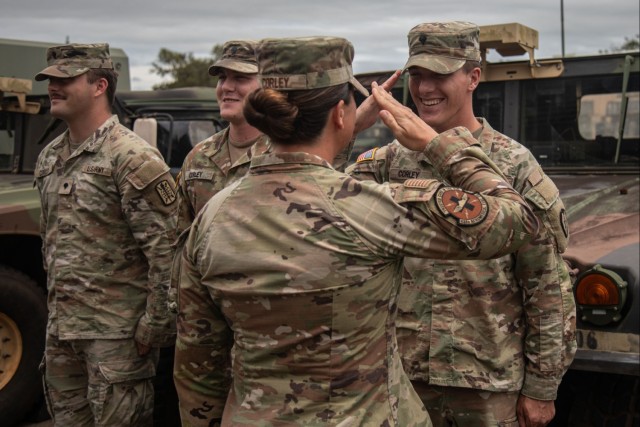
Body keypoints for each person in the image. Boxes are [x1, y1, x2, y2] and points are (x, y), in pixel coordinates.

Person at [173, 35, 540, 426]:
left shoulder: (213, 214)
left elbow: (198, 365)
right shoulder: (369, 208)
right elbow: (517, 220)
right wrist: (440, 147)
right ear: (340, 112)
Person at [347, 22, 577, 427]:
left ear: (473, 77)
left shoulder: (512, 163)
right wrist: (351, 127)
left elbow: (546, 284)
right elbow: (311, 200)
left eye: (439, 74)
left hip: (485, 382)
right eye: (417, 75)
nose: (425, 88)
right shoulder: (388, 161)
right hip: (399, 376)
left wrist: (542, 387)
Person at [34, 43, 177, 426]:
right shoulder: (50, 157)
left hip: (118, 338)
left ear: (99, 86)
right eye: (50, 79)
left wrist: (155, 326)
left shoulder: (131, 157)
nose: (53, 87)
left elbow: (166, 250)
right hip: (63, 331)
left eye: (66, 79)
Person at [173, 39, 268, 241]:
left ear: (269, 85)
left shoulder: (286, 152)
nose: (226, 87)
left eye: (240, 78)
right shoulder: (199, 157)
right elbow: (180, 237)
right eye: (222, 78)